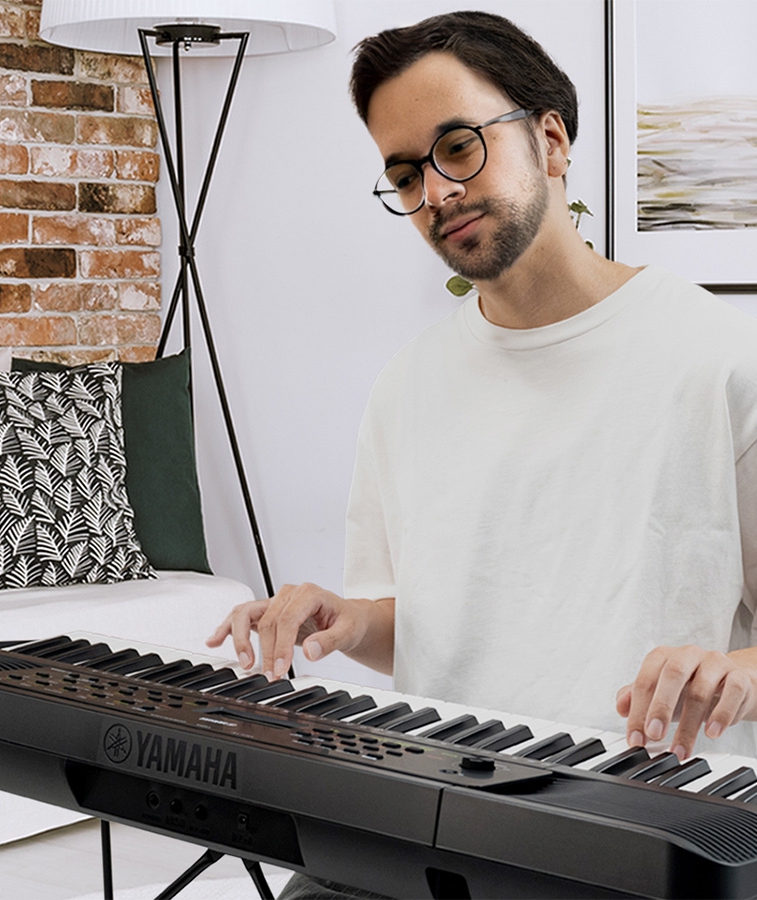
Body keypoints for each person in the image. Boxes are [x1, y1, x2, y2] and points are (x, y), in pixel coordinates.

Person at [209, 12, 757, 893]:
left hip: (645, 832)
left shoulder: (722, 360)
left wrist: (731, 672)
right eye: (404, 174)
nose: (436, 193)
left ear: (551, 140)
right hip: (438, 813)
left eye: (458, 147)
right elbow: (435, 630)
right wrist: (349, 621)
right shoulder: (408, 385)